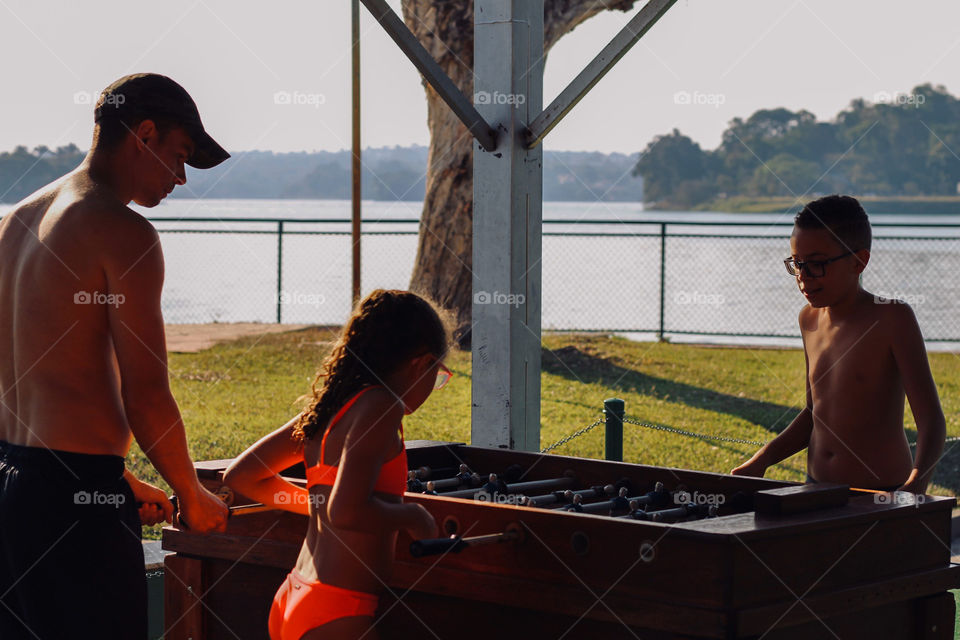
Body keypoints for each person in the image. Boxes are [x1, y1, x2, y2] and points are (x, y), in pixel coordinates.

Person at [0, 73, 231, 639]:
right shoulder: (123, 232)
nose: (180, 179)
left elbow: (41, 380)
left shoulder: (15, 222)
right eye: (178, 157)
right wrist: (190, 493)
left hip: (11, 485)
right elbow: (147, 394)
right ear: (144, 133)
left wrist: (119, 480)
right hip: (71, 505)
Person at [223, 289, 452, 640]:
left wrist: (317, 504)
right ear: (420, 363)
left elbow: (243, 476)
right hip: (338, 609)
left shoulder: (331, 408)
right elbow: (346, 511)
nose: (434, 386)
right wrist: (414, 516)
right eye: (438, 375)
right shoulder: (381, 407)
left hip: (296, 595)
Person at [732, 195, 945, 494]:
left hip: (881, 492)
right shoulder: (808, 319)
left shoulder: (892, 317)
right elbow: (813, 413)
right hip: (816, 488)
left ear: (859, 261)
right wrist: (762, 459)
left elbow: (931, 421)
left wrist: (915, 485)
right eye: (797, 264)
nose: (804, 277)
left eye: (817, 264)